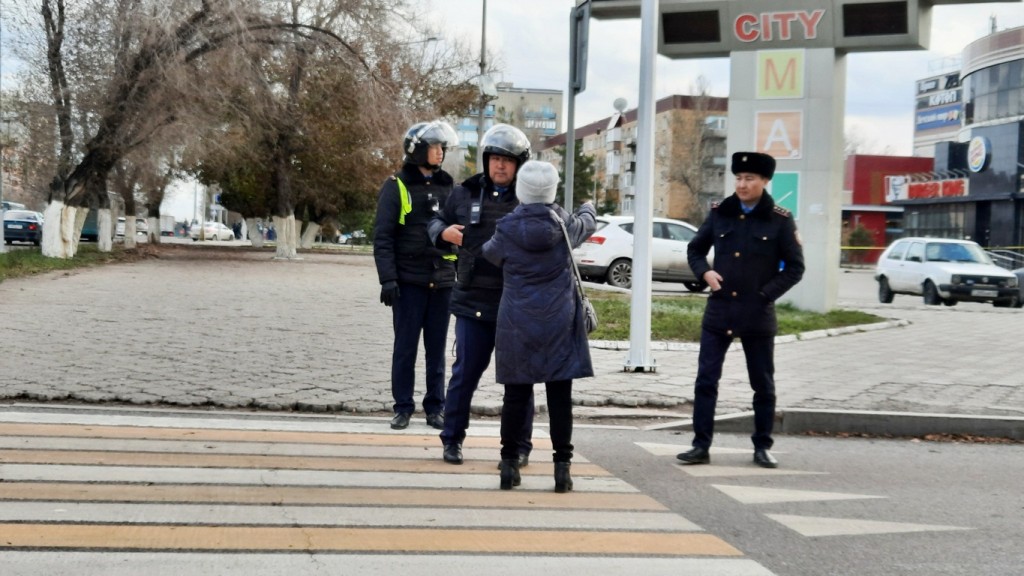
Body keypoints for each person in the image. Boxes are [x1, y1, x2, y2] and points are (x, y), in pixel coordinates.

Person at [677, 151, 805, 469]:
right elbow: (695, 249)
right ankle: (700, 445)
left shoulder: (780, 219)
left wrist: (765, 295)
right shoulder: (721, 212)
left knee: (762, 384)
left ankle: (762, 446)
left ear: (764, 181)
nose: (742, 184)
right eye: (738, 178)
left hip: (756, 314)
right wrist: (704, 273)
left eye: (749, 179)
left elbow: (795, 268)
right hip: (719, 310)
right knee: (706, 380)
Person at [482, 160, 596, 491]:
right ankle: (562, 469)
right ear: (551, 191)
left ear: (521, 190)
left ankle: (508, 464)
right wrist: (587, 207)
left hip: (517, 320)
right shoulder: (564, 225)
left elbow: (491, 253)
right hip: (559, 320)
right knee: (560, 395)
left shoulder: (506, 228)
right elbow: (588, 223)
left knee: (515, 396)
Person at [428, 123, 534, 465]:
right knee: (464, 374)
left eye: (508, 160)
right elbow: (434, 223)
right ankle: (452, 439)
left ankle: (519, 447)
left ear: (520, 164)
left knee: (519, 383)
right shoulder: (465, 193)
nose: (500, 166)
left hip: (516, 306)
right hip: (472, 301)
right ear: (486, 160)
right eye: (495, 158)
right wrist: (444, 232)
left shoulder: (529, 196)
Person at [373, 120, 460, 430]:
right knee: (405, 348)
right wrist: (388, 279)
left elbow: (461, 235)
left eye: (442, 147)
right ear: (418, 150)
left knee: (436, 351)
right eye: (435, 147)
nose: (441, 152)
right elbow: (383, 237)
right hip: (409, 282)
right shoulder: (396, 185)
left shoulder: (449, 186)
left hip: (443, 282)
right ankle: (403, 407)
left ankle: (436, 408)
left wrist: (462, 276)